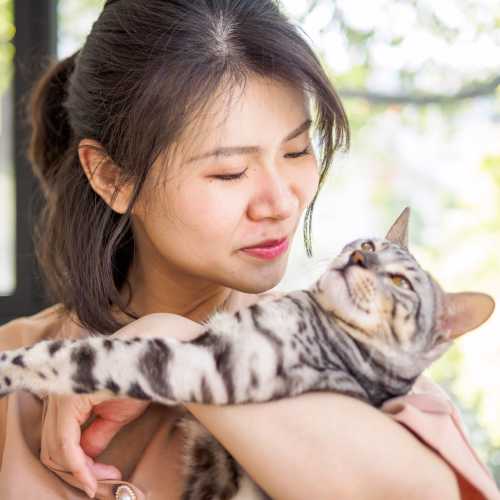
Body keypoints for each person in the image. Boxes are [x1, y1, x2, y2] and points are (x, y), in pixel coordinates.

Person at [0, 1, 498, 499]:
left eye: (297, 151)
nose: (281, 203)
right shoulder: (14, 367)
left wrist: (170, 340)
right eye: (230, 172)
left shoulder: (369, 364)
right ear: (112, 177)